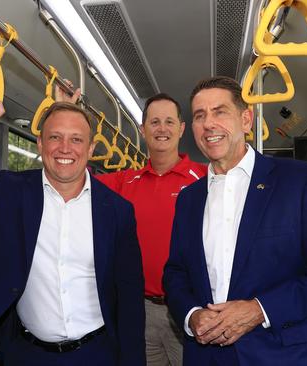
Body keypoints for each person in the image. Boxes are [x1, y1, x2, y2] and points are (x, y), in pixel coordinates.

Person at [0, 88, 145, 366]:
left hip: (96, 354)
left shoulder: (118, 211)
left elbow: (130, 300)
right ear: (40, 143)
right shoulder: (11, 193)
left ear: (90, 148)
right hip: (26, 354)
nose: (65, 148)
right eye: (55, 137)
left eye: (76, 139)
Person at [163, 76, 307, 366]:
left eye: (220, 112)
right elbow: (175, 273)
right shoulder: (189, 198)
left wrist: (259, 310)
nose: (209, 123)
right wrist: (192, 316)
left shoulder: (298, 181)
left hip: (281, 354)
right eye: (200, 116)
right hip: (206, 357)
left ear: (245, 119)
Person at [57, 84, 207, 366]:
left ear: (182, 128)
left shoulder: (205, 178)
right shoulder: (125, 182)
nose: (161, 128)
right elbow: (72, 177)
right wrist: (69, 112)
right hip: (141, 310)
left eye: (169, 121)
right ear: (142, 129)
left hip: (191, 308)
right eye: (154, 122)